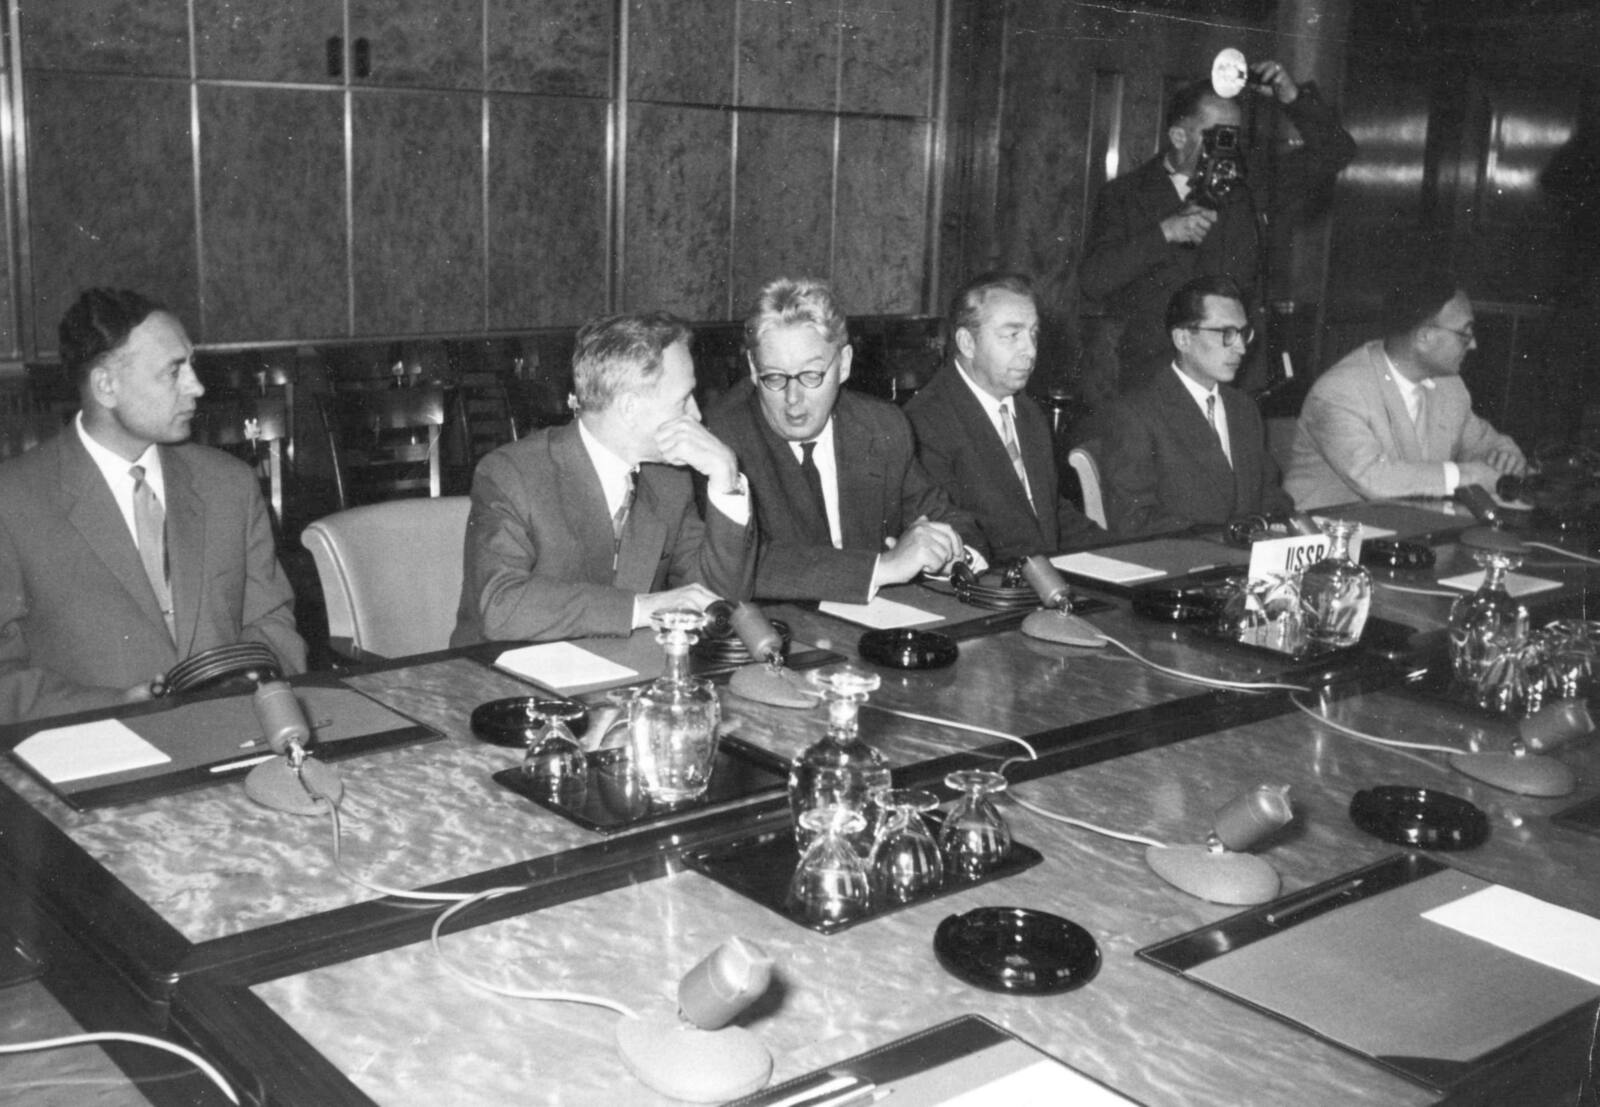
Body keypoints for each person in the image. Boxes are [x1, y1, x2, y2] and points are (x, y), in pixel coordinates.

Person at [0, 289, 306, 724]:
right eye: (173, 372)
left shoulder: (228, 484)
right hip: (94, 747)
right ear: (106, 386)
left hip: (232, 732)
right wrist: (114, 705)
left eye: (192, 366)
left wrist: (244, 691)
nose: (197, 387)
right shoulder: (13, 501)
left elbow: (272, 622)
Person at [452, 311, 755, 645]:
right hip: (501, 668)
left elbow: (717, 603)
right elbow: (501, 606)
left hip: (621, 669)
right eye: (683, 400)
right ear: (629, 407)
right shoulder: (513, 473)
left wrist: (726, 481)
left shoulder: (668, 481)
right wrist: (640, 608)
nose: (697, 415)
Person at [1079, 60, 1355, 398]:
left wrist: (1292, 98)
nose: (1227, 148)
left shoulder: (1249, 184)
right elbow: (1093, 281)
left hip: (1235, 376)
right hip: (1157, 377)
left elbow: (1336, 152)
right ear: (1179, 136)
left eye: (1234, 136)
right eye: (1217, 136)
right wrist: (1163, 234)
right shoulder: (1126, 195)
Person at [705, 278, 979, 603]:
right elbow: (743, 566)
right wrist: (883, 568)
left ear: (844, 363)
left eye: (811, 375)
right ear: (753, 368)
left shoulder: (880, 425)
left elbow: (948, 519)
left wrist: (948, 555)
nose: (793, 399)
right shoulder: (723, 438)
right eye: (774, 377)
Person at [905, 272, 1102, 561]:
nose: (1030, 351)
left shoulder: (1027, 411)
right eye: (1012, 335)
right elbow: (961, 540)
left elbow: (1047, 514)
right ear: (967, 343)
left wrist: (1122, 555)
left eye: (1033, 334)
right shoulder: (924, 423)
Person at [1284, 276, 1526, 509]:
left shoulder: (1450, 386)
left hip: (1408, 527)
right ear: (1424, 337)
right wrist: (1467, 476)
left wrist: (1505, 456)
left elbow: (1482, 442)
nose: (1473, 344)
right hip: (1324, 530)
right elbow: (1373, 478)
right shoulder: (1339, 391)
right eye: (1464, 334)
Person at [1102, 275, 1295, 536]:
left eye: (1243, 333)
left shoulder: (1243, 408)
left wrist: (1272, 523)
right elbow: (1133, 520)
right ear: (1182, 339)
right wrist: (1228, 538)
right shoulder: (1138, 412)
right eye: (1226, 334)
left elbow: (1270, 494)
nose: (1240, 348)